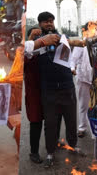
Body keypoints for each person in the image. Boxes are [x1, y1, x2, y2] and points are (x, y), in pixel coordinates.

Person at [29, 11, 84, 168]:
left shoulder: (63, 38)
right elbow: (27, 53)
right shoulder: (36, 43)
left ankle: (73, 145)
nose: (49, 23)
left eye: (51, 21)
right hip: (49, 90)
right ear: (39, 25)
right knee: (51, 123)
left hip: (67, 86)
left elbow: (77, 47)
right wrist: (34, 39)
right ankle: (50, 153)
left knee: (71, 119)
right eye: (45, 21)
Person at [24, 27, 60, 164]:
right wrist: (32, 39)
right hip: (34, 93)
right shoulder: (28, 53)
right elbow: (25, 56)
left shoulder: (49, 49)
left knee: (53, 120)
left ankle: (52, 146)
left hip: (50, 90)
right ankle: (34, 152)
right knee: (36, 122)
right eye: (34, 37)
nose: (39, 39)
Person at [70, 22, 94, 138]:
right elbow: (73, 59)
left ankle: (96, 128)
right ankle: (82, 128)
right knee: (83, 104)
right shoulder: (82, 44)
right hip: (83, 77)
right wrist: (72, 68)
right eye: (91, 28)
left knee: (95, 105)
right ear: (86, 30)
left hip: (96, 79)